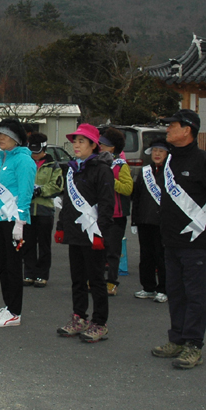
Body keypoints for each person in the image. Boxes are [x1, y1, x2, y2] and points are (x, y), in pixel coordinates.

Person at [150, 109, 206, 369]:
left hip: (196, 242)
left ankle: (193, 345)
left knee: (196, 295)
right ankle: (176, 338)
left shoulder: (205, 161)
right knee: (175, 293)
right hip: (171, 240)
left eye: (171, 125)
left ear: (187, 130)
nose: (167, 130)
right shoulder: (170, 160)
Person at [55, 124, 114, 343]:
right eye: (75, 141)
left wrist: (101, 233)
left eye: (81, 141)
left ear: (93, 145)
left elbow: (107, 205)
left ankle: (100, 322)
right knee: (77, 279)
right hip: (74, 232)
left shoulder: (102, 169)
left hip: (93, 233)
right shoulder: (72, 169)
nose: (76, 145)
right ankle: (79, 317)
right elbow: (67, 201)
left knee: (96, 280)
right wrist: (61, 226)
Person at [0, 120, 36, 327]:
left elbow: (25, 193)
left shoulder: (24, 161)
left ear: (17, 138)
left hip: (14, 221)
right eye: (0, 134)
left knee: (14, 266)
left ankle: (15, 311)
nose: (1, 138)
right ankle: (8, 306)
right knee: (3, 266)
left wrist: (20, 221)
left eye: (6, 135)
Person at [24, 133, 64, 287]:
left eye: (37, 150)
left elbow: (57, 185)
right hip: (27, 209)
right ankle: (29, 273)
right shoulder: (26, 162)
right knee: (28, 243)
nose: (34, 153)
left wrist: (39, 191)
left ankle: (42, 274)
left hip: (45, 209)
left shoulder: (53, 165)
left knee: (44, 244)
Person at [132, 139, 169, 303]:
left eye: (161, 151)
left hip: (162, 222)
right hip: (144, 220)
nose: (157, 154)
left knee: (162, 256)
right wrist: (134, 220)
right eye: (155, 151)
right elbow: (137, 197)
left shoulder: (170, 172)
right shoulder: (145, 171)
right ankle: (148, 287)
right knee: (146, 256)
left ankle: (164, 288)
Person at [98, 127, 133, 296]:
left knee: (113, 251)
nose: (100, 147)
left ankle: (112, 282)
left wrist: (111, 181)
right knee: (98, 249)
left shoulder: (121, 165)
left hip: (117, 215)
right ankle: (97, 280)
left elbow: (127, 189)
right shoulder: (97, 162)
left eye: (104, 145)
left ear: (112, 148)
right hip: (100, 213)